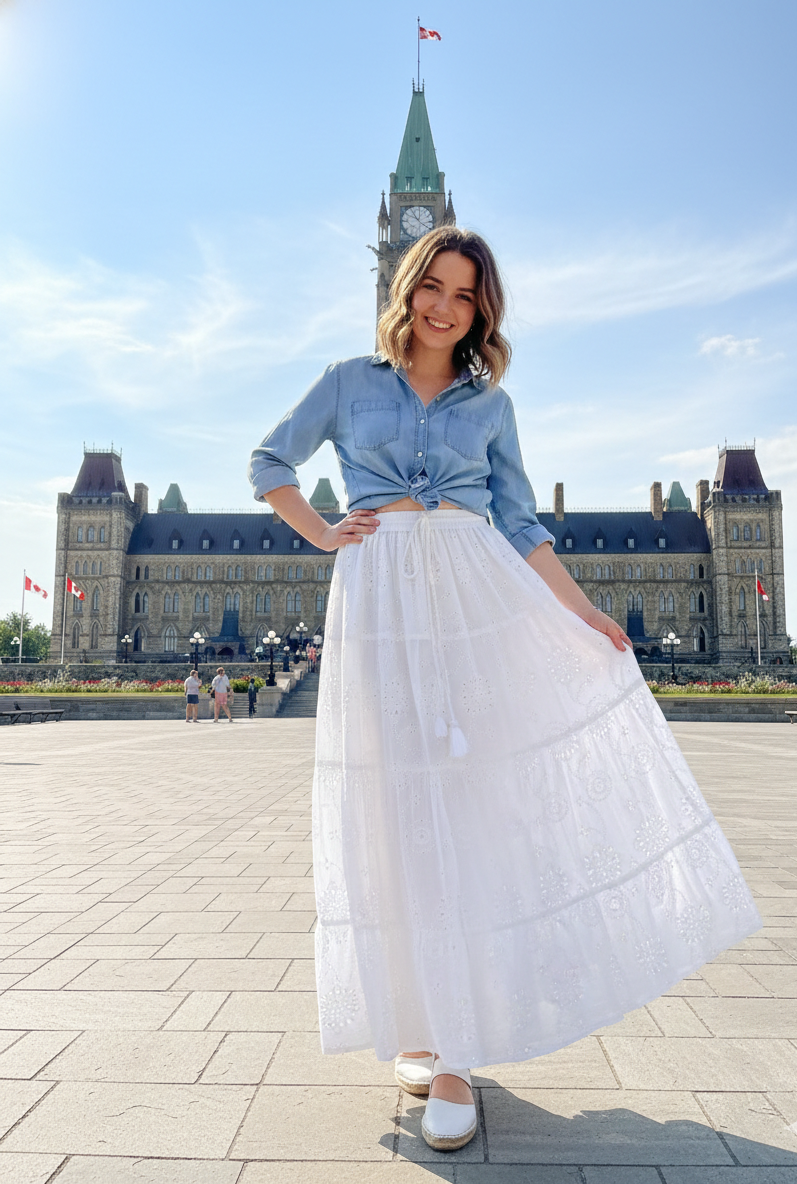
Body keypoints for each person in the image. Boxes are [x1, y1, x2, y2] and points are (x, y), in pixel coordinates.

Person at [248, 226, 762, 1153]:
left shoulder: (493, 406)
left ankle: (456, 1056)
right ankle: (417, 1022)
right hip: (379, 595)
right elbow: (267, 464)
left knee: (469, 807)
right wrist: (324, 534)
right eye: (432, 286)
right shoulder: (346, 382)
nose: (444, 306)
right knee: (393, 810)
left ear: (482, 310)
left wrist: (584, 618)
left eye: (465, 295)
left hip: (474, 593)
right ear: (406, 289)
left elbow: (522, 525)